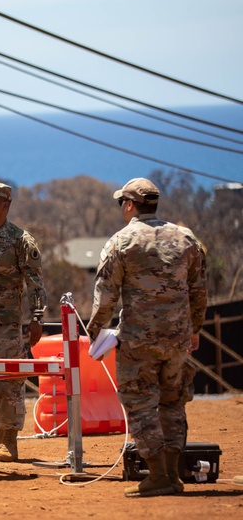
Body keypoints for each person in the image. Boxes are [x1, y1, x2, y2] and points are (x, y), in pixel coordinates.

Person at [87, 178, 207, 498]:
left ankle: (157, 476)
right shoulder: (186, 238)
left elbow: (106, 298)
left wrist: (94, 332)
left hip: (138, 341)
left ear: (129, 205)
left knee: (140, 405)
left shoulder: (121, 242)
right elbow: (199, 290)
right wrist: (194, 329)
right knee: (173, 403)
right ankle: (172, 473)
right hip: (178, 340)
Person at [0, 182, 47, 463]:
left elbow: (35, 282)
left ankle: (9, 442)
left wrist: (37, 318)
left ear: (5, 205)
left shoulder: (20, 240)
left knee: (8, 385)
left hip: (6, 326)